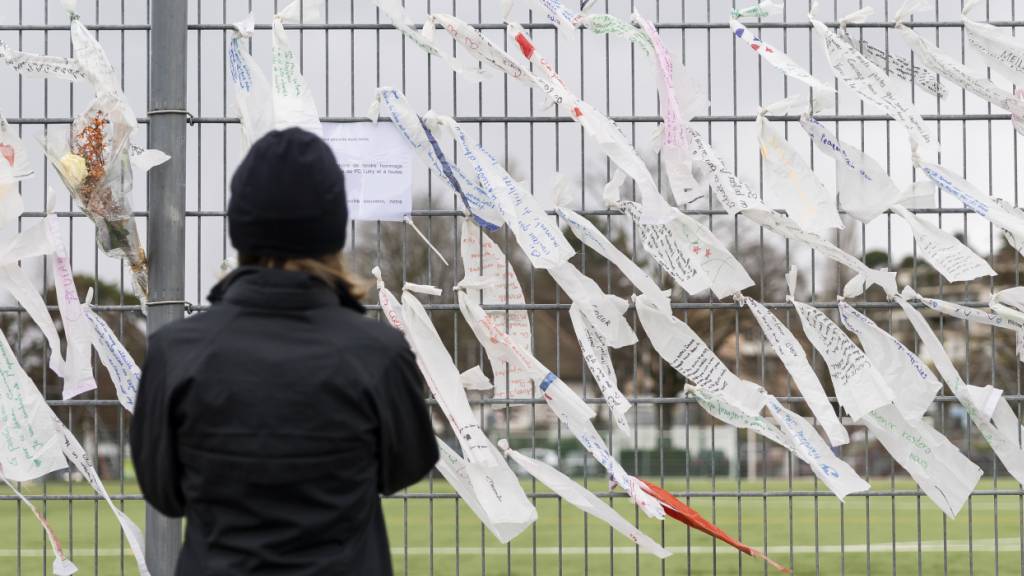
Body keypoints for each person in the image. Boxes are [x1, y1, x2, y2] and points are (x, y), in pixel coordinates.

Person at [131, 128, 439, 575]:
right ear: (331, 228)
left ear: (242, 226)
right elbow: (406, 467)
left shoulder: (176, 352)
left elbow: (165, 493)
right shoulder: (378, 353)